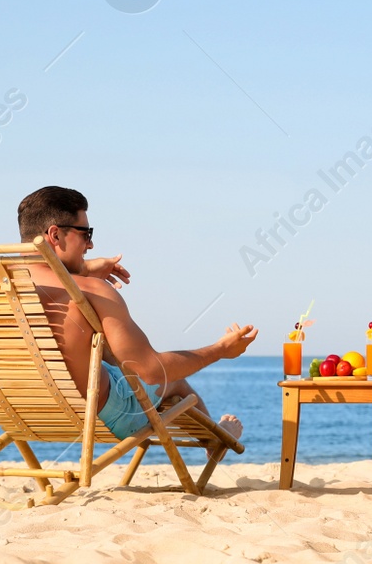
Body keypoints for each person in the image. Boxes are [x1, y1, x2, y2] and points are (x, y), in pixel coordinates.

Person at [17, 185, 252, 441]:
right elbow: (151, 371)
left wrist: (81, 271)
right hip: (97, 415)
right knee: (173, 382)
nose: (91, 244)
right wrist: (220, 350)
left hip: (21, 408)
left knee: (106, 353)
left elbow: (48, 283)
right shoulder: (93, 291)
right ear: (55, 235)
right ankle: (218, 439)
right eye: (86, 234)